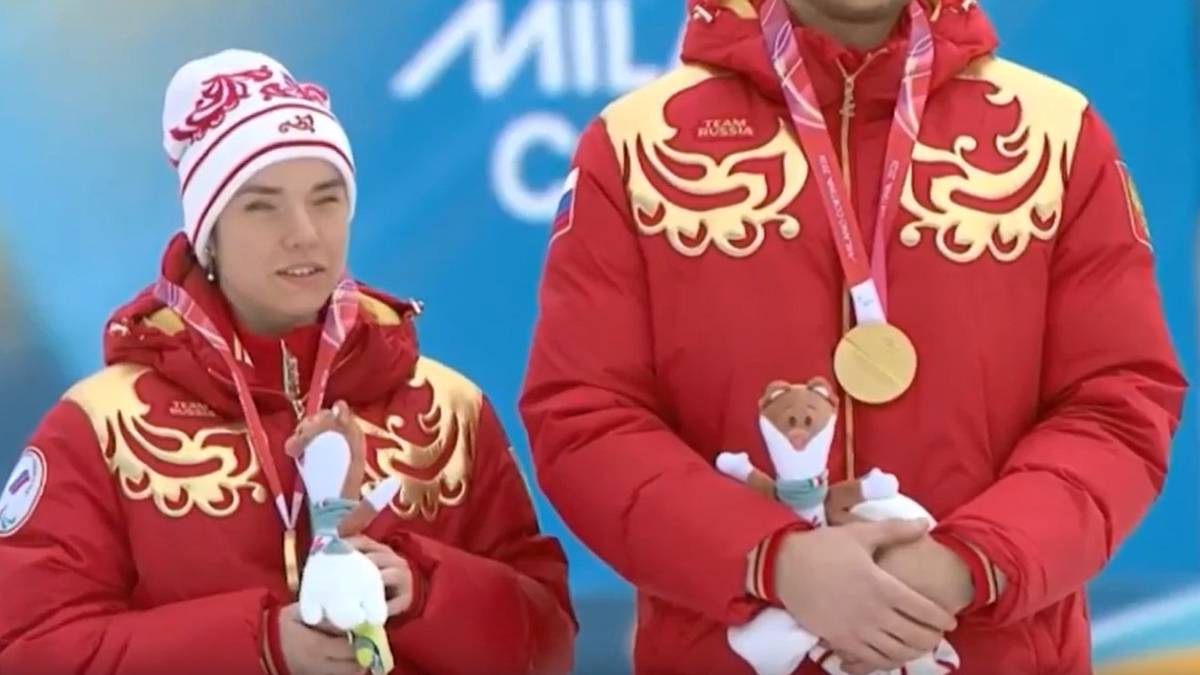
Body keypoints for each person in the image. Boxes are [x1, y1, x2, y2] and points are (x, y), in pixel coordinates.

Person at [519, 0, 1185, 673]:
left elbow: (1116, 406)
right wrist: (773, 560)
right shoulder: (638, 142)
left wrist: (968, 561)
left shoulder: (1056, 132)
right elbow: (585, 417)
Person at [0, 49, 576, 675]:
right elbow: (30, 650)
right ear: (206, 232)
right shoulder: (103, 426)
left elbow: (547, 643)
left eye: (326, 199)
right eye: (262, 205)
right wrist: (261, 646)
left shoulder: (446, 409)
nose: (304, 232)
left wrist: (425, 589)